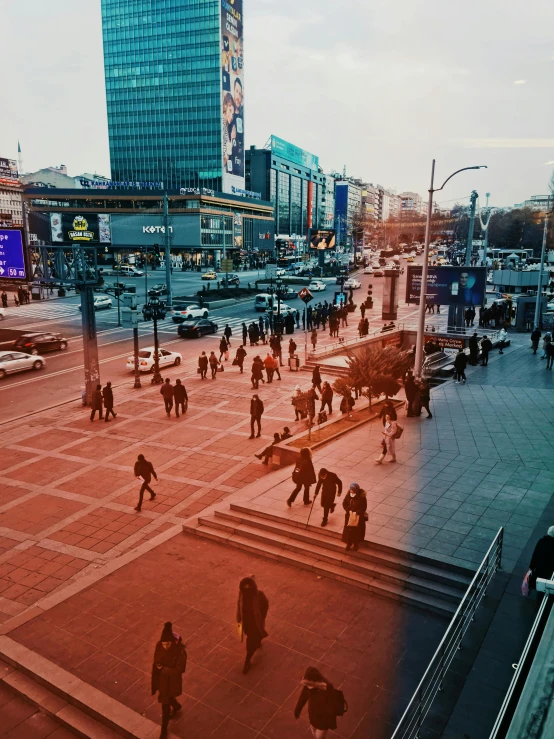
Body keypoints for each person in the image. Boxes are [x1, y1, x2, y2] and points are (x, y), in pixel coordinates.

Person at [151, 621, 187, 739]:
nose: (165, 646)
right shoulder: (159, 645)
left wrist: (163, 669)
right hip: (162, 681)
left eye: (168, 644)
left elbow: (179, 670)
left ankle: (164, 730)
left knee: (165, 706)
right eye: (164, 644)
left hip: (171, 682)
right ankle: (176, 706)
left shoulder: (179, 651)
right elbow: (156, 659)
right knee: (166, 698)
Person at [236, 576, 269, 674]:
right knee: (253, 638)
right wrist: (239, 617)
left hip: (256, 623)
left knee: (250, 642)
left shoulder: (259, 595)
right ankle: (257, 643)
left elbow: (266, 605)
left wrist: (262, 616)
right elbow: (239, 605)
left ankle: (247, 660)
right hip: (247, 623)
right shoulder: (242, 595)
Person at [293, 666, 338, 737]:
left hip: (323, 720)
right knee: (315, 735)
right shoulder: (308, 686)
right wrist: (297, 710)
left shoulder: (327, 689)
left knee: (318, 737)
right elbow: (303, 698)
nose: (307, 687)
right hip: (313, 717)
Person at [342, 483, 367, 551]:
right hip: (349, 516)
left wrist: (357, 512)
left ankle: (356, 544)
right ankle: (349, 543)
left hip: (357, 517)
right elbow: (344, 503)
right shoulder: (348, 495)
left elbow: (363, 507)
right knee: (349, 531)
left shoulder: (361, 497)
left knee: (356, 531)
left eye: (353, 490)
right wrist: (348, 510)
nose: (351, 491)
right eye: (351, 490)